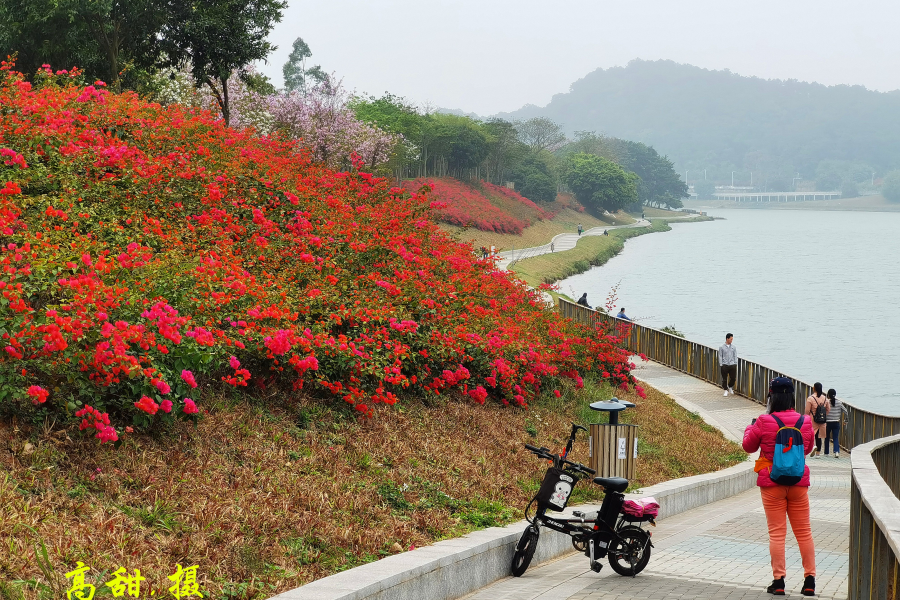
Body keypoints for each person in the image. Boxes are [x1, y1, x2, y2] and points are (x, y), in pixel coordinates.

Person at [743, 376, 816, 597]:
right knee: (804, 533)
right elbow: (808, 448)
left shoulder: (765, 421)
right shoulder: (804, 421)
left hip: (772, 483)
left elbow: (748, 446)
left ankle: (779, 582)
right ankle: (810, 580)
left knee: (777, 533)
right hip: (798, 483)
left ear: (771, 396)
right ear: (792, 396)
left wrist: (751, 425)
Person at [805, 383, 828, 458]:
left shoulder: (810, 398)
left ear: (814, 388)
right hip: (822, 420)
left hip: (813, 419)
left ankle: (813, 446)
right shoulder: (825, 398)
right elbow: (828, 409)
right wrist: (824, 415)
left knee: (812, 434)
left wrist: (806, 417)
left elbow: (807, 410)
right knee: (819, 436)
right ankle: (818, 453)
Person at [824, 388, 845, 458]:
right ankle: (836, 452)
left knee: (827, 437)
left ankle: (826, 453)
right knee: (835, 437)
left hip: (827, 422)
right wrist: (846, 420)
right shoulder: (839, 402)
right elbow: (846, 411)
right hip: (836, 422)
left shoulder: (826, 402)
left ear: (828, 395)